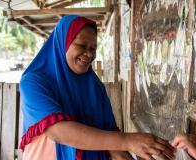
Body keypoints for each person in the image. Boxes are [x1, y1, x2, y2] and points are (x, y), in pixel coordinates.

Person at [19, 15, 174, 160]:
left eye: (93, 49)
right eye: (81, 45)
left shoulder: (95, 86)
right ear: (62, 43)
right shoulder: (34, 82)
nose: (88, 54)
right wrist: (127, 140)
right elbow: (58, 131)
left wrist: (125, 149)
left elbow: (109, 135)